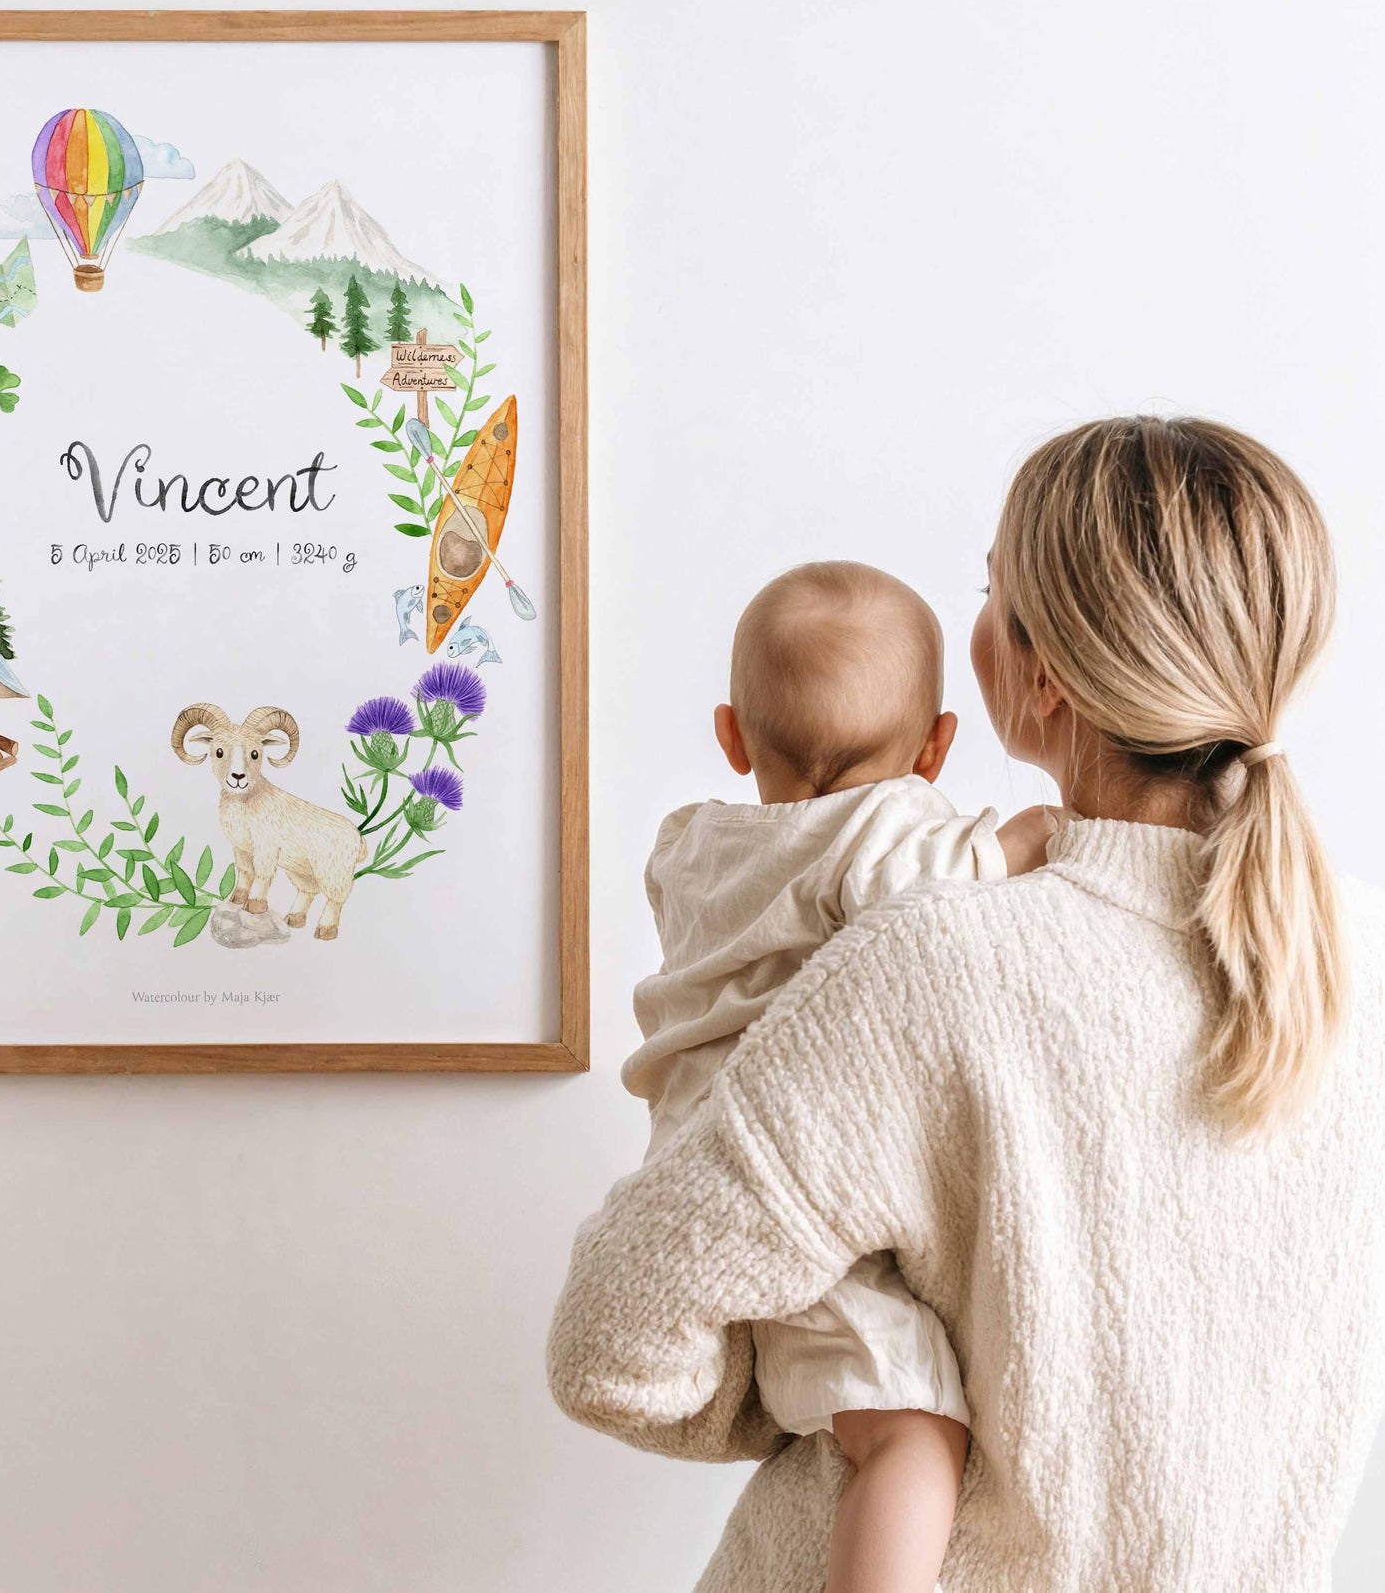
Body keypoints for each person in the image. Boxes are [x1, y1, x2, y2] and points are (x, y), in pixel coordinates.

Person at [549, 417, 1385, 1591]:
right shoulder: (1356, 957)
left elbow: (609, 1343)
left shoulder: (931, 962)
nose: (976, 618)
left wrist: (827, 1395)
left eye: (991, 590)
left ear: (1040, 673)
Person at [623, 560, 1053, 1593]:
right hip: (790, 1184)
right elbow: (934, 881)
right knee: (909, 1428)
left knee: (873, 1408)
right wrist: (1032, 834)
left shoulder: (687, 848)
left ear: (731, 735)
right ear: (934, 747)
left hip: (705, 1162)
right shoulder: (881, 842)